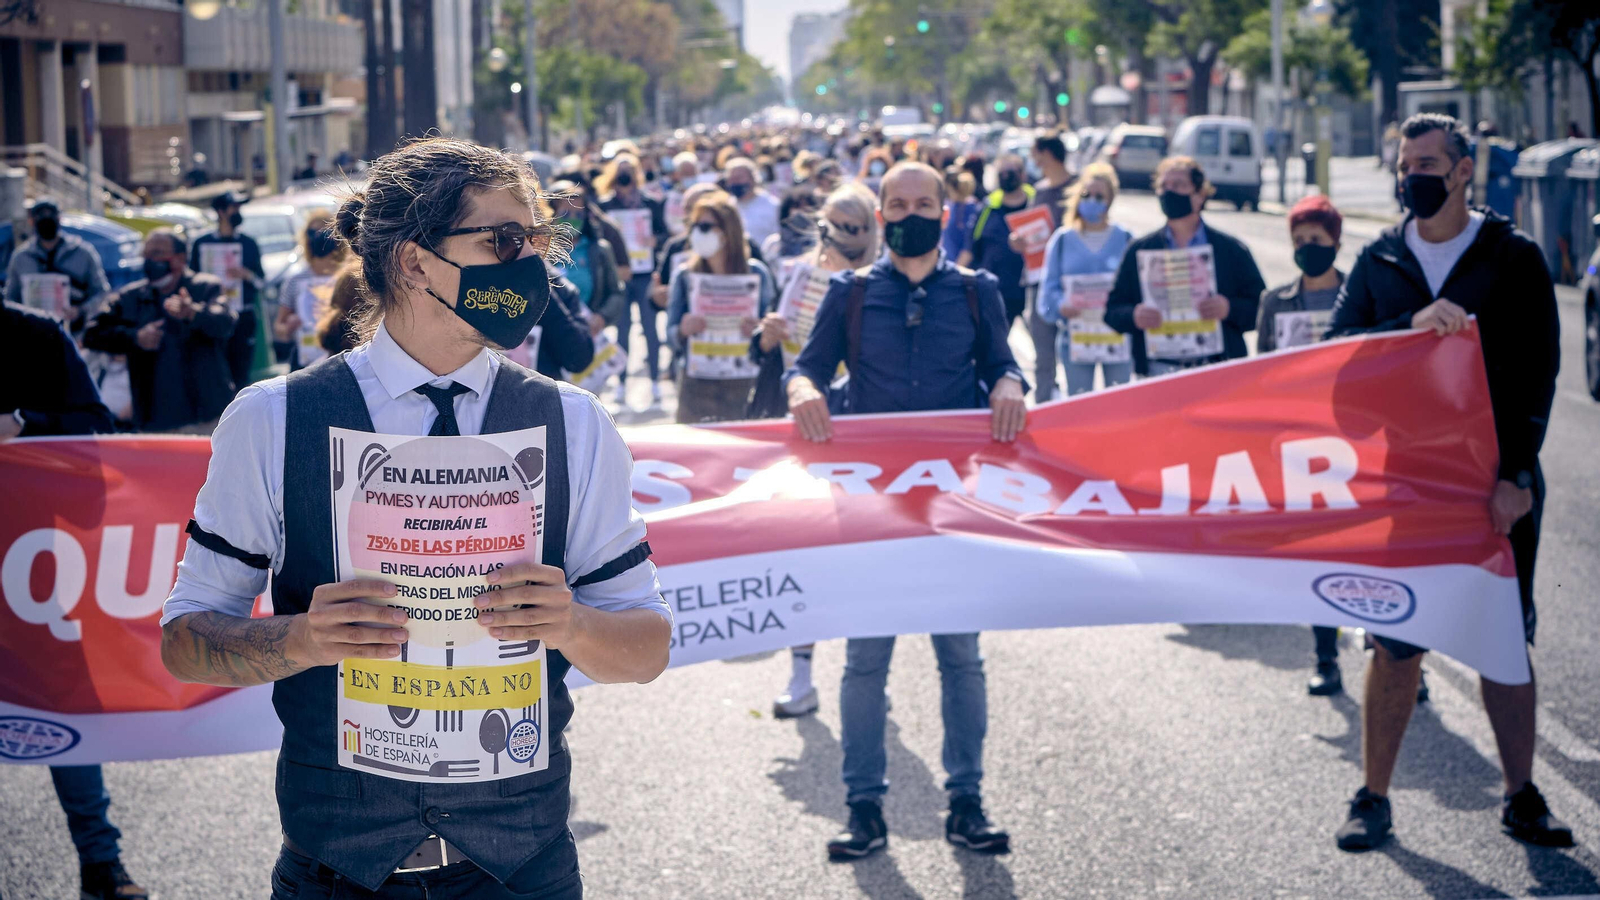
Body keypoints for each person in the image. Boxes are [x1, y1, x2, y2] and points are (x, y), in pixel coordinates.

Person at [157, 137, 671, 899]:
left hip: (521, 870)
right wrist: (300, 637)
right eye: (503, 240)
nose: (531, 264)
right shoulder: (273, 419)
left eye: (538, 241)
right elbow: (184, 642)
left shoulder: (574, 422)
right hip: (337, 871)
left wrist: (571, 624)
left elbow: (647, 647)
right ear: (414, 261)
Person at [1325, 113, 1569, 852]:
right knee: (1395, 640)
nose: (1413, 178)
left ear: (1464, 171)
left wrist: (1517, 474)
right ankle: (1372, 797)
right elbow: (1339, 361)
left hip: (1494, 483)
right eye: (1406, 164)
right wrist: (1407, 322)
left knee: (1502, 637)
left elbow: (1538, 372)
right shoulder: (1378, 260)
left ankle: (1522, 796)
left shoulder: (1512, 257)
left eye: (1428, 164)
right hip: (1406, 482)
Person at [784, 161, 1024, 862]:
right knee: (865, 664)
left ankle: (967, 803)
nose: (911, 212)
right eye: (899, 203)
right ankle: (864, 809)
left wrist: (1009, 382)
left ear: (945, 212)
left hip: (953, 506)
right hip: (872, 509)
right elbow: (807, 366)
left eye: (925, 202)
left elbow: (1005, 365)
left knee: (961, 658)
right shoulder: (851, 294)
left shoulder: (979, 292)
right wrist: (802, 389)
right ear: (883, 214)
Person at [2, 302, 148, 900]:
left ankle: (100, 862)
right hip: (37, 564)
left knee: (61, 710)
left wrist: (23, 423)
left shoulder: (32, 335)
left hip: (33, 567)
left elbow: (96, 433)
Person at [749, 183, 880, 719]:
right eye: (839, 225)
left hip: (867, 431)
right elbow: (773, 351)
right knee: (803, 547)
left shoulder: (889, 282)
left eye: (858, 226)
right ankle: (802, 674)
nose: (849, 236)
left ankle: (867, 671)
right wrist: (768, 334)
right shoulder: (800, 275)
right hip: (806, 426)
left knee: (862, 555)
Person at [1105, 156, 1263, 377]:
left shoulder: (1231, 250)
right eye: (1163, 186)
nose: (1169, 192)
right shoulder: (1140, 250)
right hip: (1158, 370)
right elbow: (1112, 311)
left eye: (1178, 185)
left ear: (1199, 195)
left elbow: (1262, 308)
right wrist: (1134, 315)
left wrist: (1229, 309)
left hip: (1218, 369)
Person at [83, 229, 237, 431]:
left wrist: (193, 313)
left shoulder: (205, 287)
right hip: (155, 422)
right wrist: (135, 337)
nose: (149, 260)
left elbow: (226, 322)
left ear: (180, 259)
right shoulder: (131, 297)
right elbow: (92, 333)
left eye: (157, 253)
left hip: (205, 418)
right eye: (146, 255)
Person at [665, 191, 775, 423]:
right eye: (694, 225)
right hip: (696, 385)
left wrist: (760, 330)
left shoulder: (757, 274)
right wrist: (683, 330)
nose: (697, 232)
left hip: (744, 384)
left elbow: (772, 335)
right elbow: (671, 336)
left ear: (728, 231)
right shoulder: (685, 275)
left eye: (705, 226)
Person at [1036, 162, 1134, 396]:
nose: (1092, 200)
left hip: (1117, 341)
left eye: (1099, 196)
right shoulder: (1062, 240)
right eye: (1086, 194)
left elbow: (1138, 290)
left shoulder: (1126, 239)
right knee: (1080, 404)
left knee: (1118, 404)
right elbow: (1047, 293)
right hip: (1077, 340)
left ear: (1110, 200)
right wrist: (1061, 305)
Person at [597, 153, 670, 405]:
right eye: (621, 171)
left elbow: (664, 234)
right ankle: (622, 381)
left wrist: (655, 241)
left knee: (651, 328)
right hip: (620, 275)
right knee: (623, 329)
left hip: (644, 274)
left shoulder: (650, 203)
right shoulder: (605, 206)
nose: (625, 176)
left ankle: (654, 380)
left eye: (630, 170)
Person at [192, 190, 267, 387]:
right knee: (215, 373)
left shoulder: (248, 243)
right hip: (211, 316)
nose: (238, 211)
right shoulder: (202, 243)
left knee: (241, 372)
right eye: (234, 207)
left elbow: (262, 282)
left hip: (242, 316)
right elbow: (192, 279)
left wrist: (247, 275)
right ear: (220, 211)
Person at [4, 198, 111, 335]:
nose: (47, 220)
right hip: (33, 335)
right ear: (31, 221)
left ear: (60, 218)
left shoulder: (83, 253)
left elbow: (101, 292)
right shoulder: (21, 257)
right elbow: (10, 299)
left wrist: (81, 310)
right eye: (41, 216)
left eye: (51, 215)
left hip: (75, 334)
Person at [1026, 132, 1075, 402]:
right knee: (1043, 349)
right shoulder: (1040, 191)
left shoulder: (1079, 187)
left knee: (1075, 350)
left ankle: (1076, 401)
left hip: (1074, 281)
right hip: (1040, 280)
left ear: (1046, 153)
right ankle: (1044, 401)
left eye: (1035, 153)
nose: (1033, 159)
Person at [959, 152, 1034, 327]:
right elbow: (970, 249)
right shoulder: (987, 208)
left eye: (1011, 172)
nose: (1006, 177)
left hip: (1032, 290)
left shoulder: (1037, 203)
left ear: (1022, 175)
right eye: (1001, 173)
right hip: (997, 290)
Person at [548, 180, 627, 338]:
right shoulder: (540, 250)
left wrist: (602, 317)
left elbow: (616, 293)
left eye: (578, 214)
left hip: (589, 332)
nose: (572, 219)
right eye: (566, 213)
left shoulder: (600, 250)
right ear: (553, 214)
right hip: (550, 336)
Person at [272, 212, 348, 370]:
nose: (319, 238)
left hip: (342, 360)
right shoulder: (295, 281)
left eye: (325, 232)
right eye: (313, 233)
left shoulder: (347, 277)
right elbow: (279, 328)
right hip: (304, 363)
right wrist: (288, 328)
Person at [723, 157, 781, 249]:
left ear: (752, 178)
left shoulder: (772, 205)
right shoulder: (726, 207)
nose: (735, 182)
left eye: (739, 178)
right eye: (731, 179)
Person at [762, 184, 823, 265]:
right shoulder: (773, 243)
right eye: (797, 207)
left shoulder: (821, 245)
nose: (801, 213)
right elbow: (768, 271)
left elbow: (823, 274)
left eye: (806, 208)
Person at [940, 167, 979, 263]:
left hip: (960, 268)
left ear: (948, 186)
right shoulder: (949, 205)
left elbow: (968, 245)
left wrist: (957, 271)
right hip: (948, 264)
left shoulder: (971, 209)